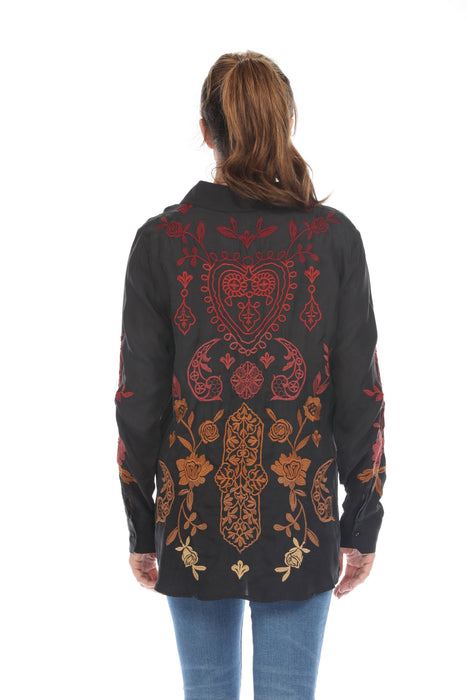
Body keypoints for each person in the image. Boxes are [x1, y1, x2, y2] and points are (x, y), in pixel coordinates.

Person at [115, 50, 386, 700]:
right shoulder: (332, 239)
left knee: (206, 691)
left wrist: (142, 523)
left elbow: (137, 398)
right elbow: (362, 394)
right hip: (301, 515)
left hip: (193, 516)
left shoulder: (162, 242)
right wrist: (361, 519)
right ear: (284, 124)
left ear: (206, 131)